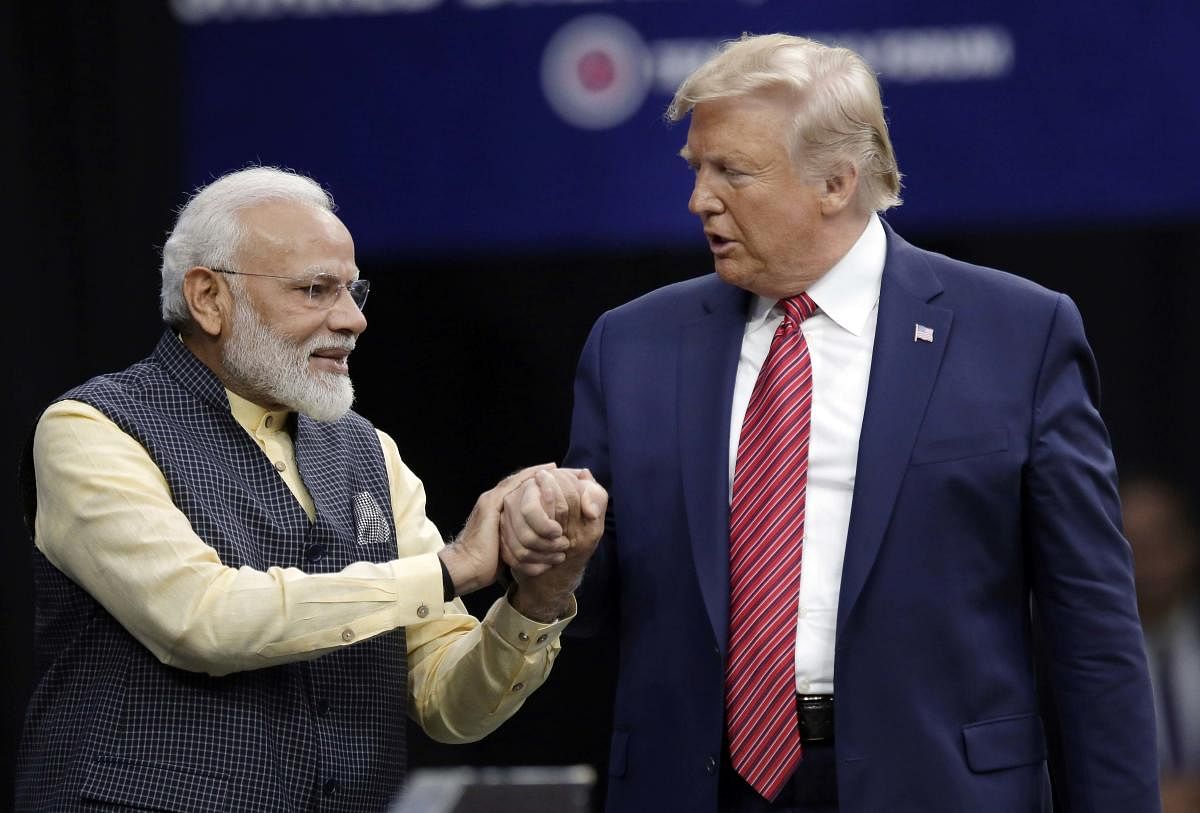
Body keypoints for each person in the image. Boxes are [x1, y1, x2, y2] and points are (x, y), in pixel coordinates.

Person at [563, 33, 1158, 812]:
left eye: (732, 172)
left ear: (836, 181)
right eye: (697, 169)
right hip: (703, 787)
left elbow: (1093, 631)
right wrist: (546, 564)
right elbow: (584, 601)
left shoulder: (1018, 334)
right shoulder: (631, 345)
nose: (700, 199)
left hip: (936, 785)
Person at [15, 166, 606, 812]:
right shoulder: (91, 430)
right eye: (316, 289)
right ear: (209, 298)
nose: (354, 320)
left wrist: (539, 597)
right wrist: (450, 568)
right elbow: (202, 618)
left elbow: (445, 702)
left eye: (354, 290)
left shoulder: (369, 450)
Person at [1121, 476, 1200, 813]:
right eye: (1135, 546)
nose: (1152, 562)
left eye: (1162, 541)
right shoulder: (1072, 667)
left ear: (1189, 543)